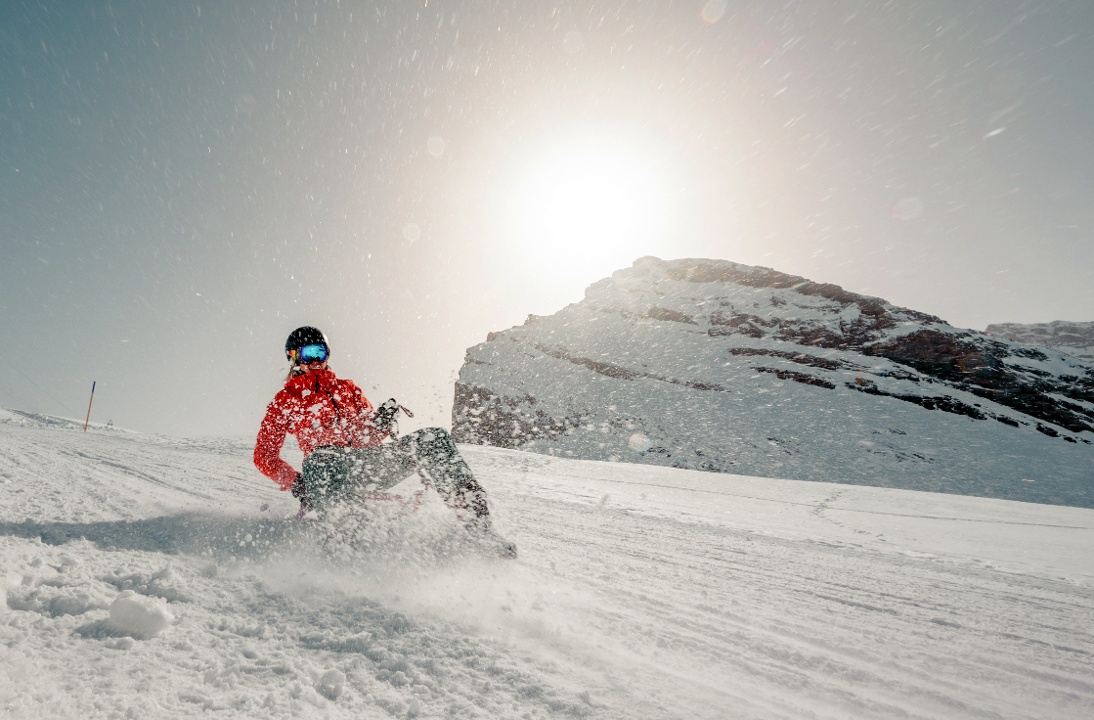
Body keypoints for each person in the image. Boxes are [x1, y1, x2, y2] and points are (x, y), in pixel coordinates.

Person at [254, 326, 514, 556]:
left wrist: (381, 421)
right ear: (294, 358)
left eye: (321, 353)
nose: (316, 361)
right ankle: (348, 548)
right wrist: (297, 483)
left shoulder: (347, 388)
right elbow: (264, 456)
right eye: (309, 354)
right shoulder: (285, 399)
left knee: (434, 438)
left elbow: (368, 438)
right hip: (323, 465)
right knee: (323, 461)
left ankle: (478, 527)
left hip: (360, 462)